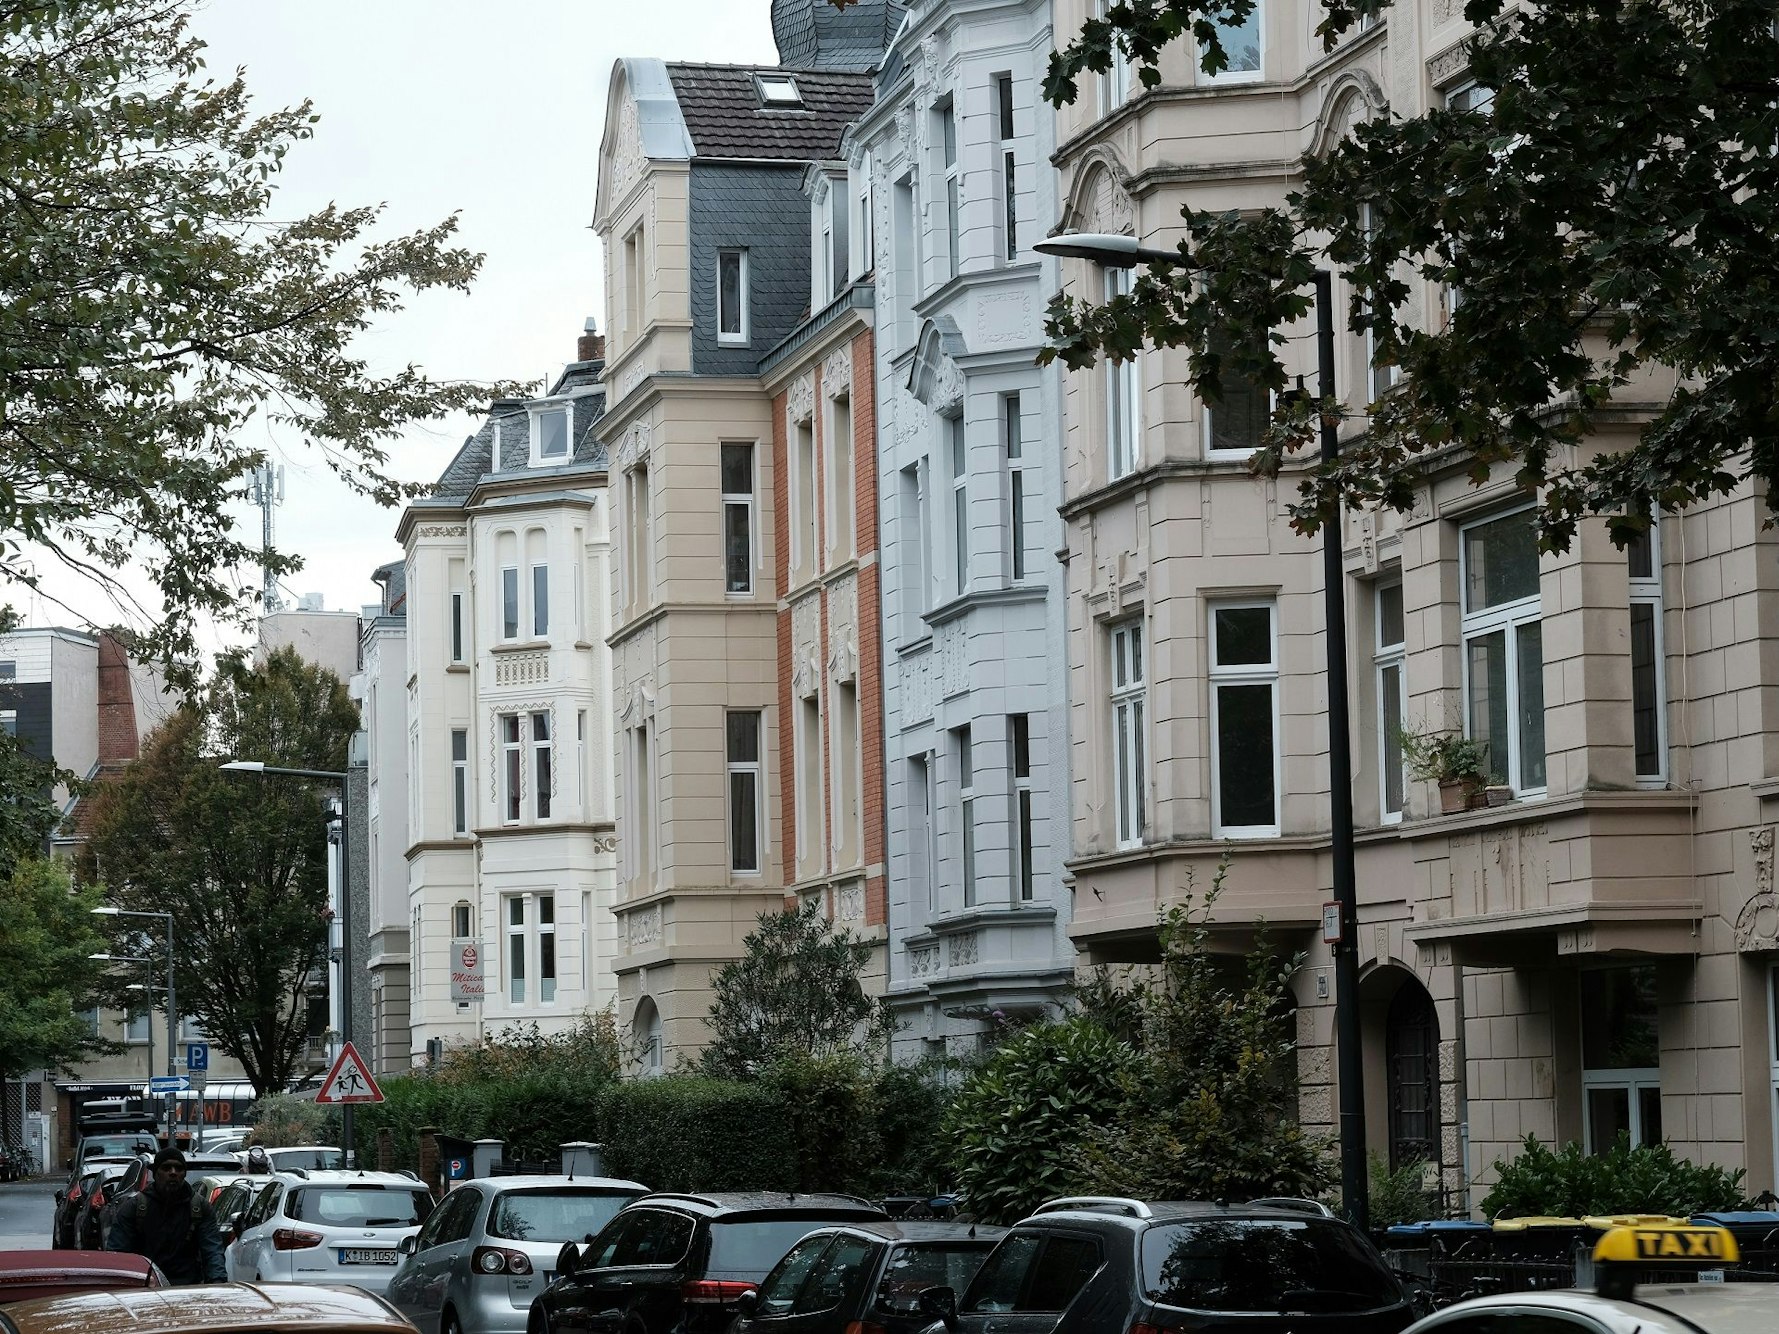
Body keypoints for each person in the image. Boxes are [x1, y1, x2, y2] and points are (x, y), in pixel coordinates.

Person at [105, 1146, 227, 1284]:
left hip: (188, 1290)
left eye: (178, 1168)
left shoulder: (200, 1207)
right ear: (156, 1172)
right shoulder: (134, 1207)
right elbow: (118, 1255)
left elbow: (213, 1251)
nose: (173, 1173)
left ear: (184, 1173)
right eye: (166, 1168)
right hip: (145, 1288)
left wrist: (218, 1284)